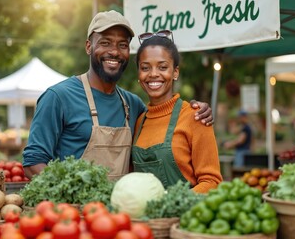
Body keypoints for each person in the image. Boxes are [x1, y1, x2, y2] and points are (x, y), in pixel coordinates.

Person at [22, 10, 213, 180]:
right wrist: (68, 194)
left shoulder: (134, 105)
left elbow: (163, 119)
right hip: (75, 214)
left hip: (120, 216)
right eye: (105, 43)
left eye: (122, 45)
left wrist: (194, 109)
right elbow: (33, 162)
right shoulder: (58, 97)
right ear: (89, 46)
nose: (114, 51)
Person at [131, 32, 222, 193]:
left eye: (163, 67)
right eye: (145, 67)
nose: (153, 74)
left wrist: (171, 204)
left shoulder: (195, 117)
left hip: (186, 215)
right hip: (146, 217)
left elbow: (212, 181)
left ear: (175, 72)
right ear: (138, 74)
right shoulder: (139, 122)